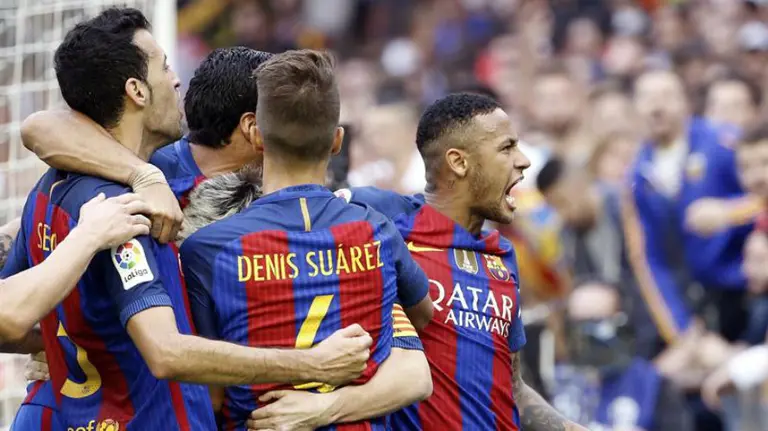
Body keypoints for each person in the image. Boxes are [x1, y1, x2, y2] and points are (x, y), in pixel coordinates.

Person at [3, 9, 370, 429]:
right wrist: (314, 365)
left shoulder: (74, 184)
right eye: (164, 65)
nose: (177, 78)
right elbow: (166, 350)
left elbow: (411, 373)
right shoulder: (133, 206)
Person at [242, 93, 585, 430]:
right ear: (459, 162)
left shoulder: (500, 256)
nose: (523, 160)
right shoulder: (380, 217)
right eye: (506, 148)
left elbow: (514, 390)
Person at [622, 69, 753, 431]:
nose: (657, 105)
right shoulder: (637, 175)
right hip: (696, 313)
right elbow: (648, 263)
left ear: (686, 102)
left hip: (748, 294)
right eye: (646, 97)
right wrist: (683, 333)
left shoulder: (723, 143)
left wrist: (729, 213)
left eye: (666, 94)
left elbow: (763, 197)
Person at [536, 156, 657, 359]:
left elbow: (653, 270)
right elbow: (573, 284)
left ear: (579, 185)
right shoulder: (567, 232)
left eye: (561, 203)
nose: (561, 215)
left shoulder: (623, 207)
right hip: (613, 331)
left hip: (649, 317)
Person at [552, 279, 691, 431]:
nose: (585, 333)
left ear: (621, 323)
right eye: (577, 323)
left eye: (596, 322)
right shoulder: (553, 382)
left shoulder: (651, 384)